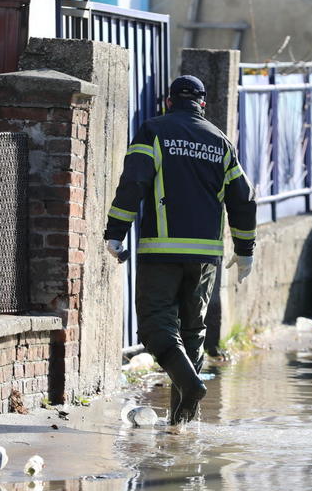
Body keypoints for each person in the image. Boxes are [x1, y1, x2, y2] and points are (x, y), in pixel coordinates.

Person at [104, 75, 257, 425]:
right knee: (192, 333)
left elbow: (134, 183)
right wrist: (245, 249)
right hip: (206, 256)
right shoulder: (220, 142)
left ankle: (191, 387)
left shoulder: (153, 131)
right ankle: (183, 427)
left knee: (156, 329)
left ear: (169, 101)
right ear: (203, 104)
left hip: (162, 251)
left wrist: (115, 232)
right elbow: (244, 199)